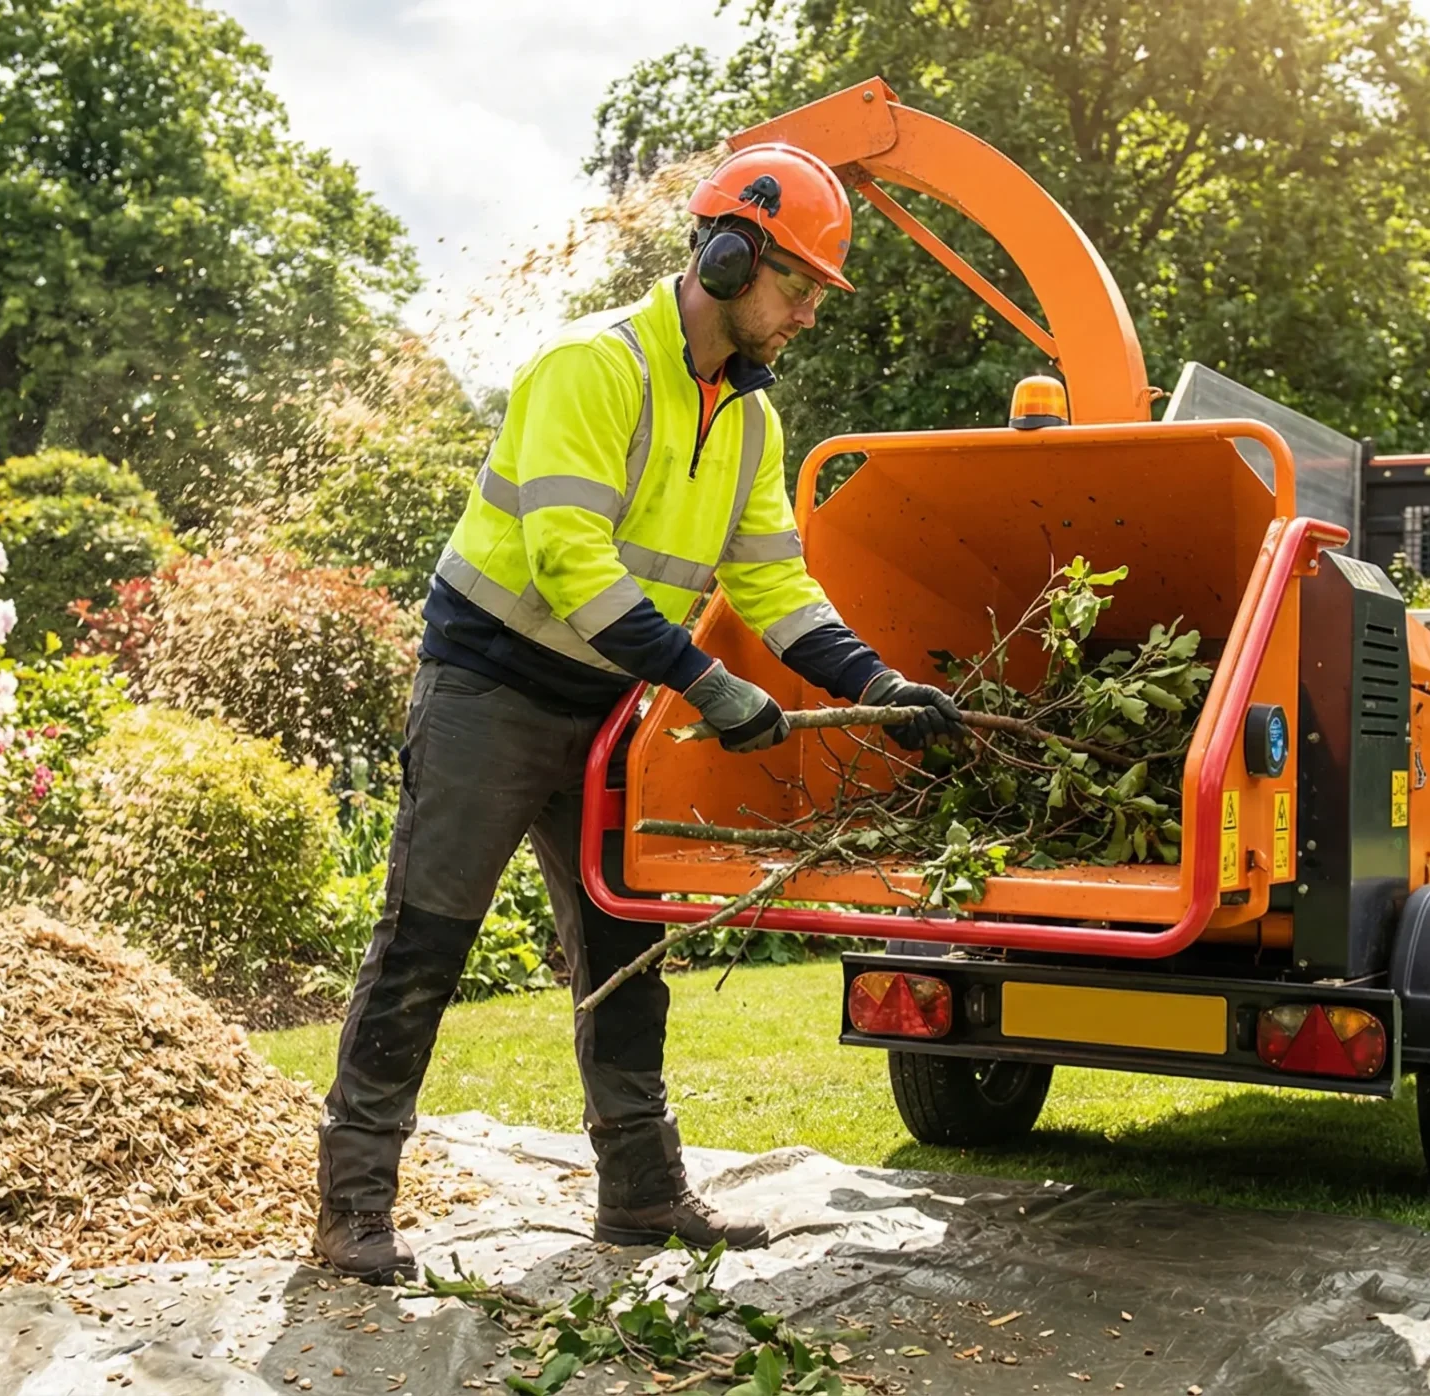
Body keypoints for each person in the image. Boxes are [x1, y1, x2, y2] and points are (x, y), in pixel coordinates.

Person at [313, 143, 963, 1283]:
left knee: (624, 945)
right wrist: (706, 685)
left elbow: (770, 581)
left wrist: (878, 686)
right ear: (727, 255)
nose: (809, 309)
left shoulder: (751, 421)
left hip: (608, 701)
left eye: (817, 290)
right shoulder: (591, 366)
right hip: (491, 684)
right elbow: (570, 561)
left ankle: (643, 1194)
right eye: (798, 282)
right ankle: (352, 1207)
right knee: (427, 939)